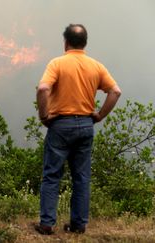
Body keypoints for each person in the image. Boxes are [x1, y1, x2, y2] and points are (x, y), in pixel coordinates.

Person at [34, 24, 121, 235]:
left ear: (65, 42)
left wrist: (44, 116)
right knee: (81, 177)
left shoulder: (57, 63)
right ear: (85, 43)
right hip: (85, 125)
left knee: (52, 175)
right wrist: (99, 115)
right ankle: (78, 225)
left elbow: (44, 88)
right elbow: (115, 92)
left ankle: (47, 224)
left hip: (61, 125)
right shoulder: (96, 66)